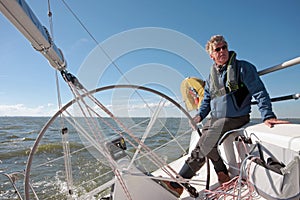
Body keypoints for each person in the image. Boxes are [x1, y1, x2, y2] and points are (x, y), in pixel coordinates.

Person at [163, 35, 289, 197]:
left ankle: (178, 183)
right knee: (204, 141)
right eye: (218, 49)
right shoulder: (211, 78)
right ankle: (222, 172)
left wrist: (267, 115)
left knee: (206, 143)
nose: (222, 51)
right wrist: (199, 116)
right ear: (211, 55)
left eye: (224, 47)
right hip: (216, 119)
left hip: (236, 117)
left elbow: (259, 91)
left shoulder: (243, 68)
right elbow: (207, 100)